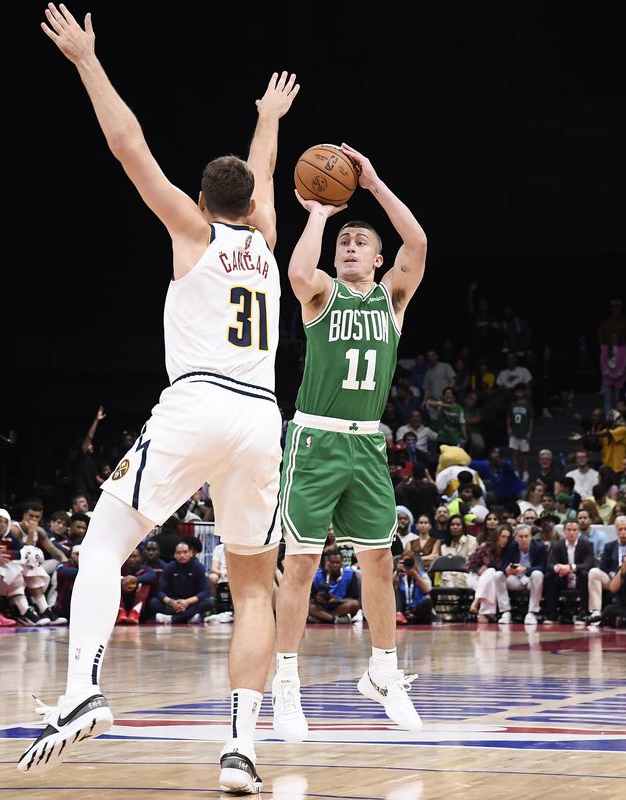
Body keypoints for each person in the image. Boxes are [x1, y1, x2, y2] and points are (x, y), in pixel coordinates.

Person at [23, 9, 298, 794]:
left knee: (102, 546)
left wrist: (86, 61)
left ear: (206, 200)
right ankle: (241, 751)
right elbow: (266, 175)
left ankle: (83, 690)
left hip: (199, 401)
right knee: (253, 587)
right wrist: (267, 121)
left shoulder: (195, 231)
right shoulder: (265, 240)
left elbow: (128, 147)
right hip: (259, 420)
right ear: (250, 204)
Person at [269, 124, 428, 751]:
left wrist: (372, 184)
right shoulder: (322, 293)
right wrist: (318, 212)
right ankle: (286, 684)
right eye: (346, 240)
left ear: (379, 259)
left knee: (381, 563)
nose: (351, 245)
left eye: (361, 241)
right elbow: (298, 268)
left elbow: (417, 240)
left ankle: (383, 673)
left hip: (366, 444)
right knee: (301, 565)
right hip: (314, 442)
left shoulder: (392, 299)